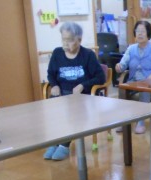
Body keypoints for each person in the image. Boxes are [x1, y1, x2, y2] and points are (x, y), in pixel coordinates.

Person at [43, 22, 106, 161]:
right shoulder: (57, 53)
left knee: (70, 111)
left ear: (79, 40)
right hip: (61, 93)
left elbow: (101, 77)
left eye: (70, 40)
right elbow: (50, 74)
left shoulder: (87, 55)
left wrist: (83, 85)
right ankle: (55, 142)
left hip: (81, 96)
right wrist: (54, 85)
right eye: (63, 40)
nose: (66, 44)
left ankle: (64, 145)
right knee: (52, 110)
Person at [115, 20, 151, 134]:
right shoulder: (131, 49)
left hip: (149, 83)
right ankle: (123, 121)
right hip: (132, 82)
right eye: (137, 31)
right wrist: (119, 67)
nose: (140, 34)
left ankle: (141, 121)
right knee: (122, 89)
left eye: (143, 31)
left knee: (144, 89)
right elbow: (123, 64)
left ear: (148, 34)